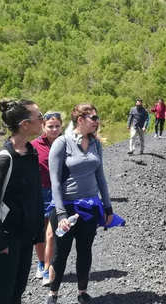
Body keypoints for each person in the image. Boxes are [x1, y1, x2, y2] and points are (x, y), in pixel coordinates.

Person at [46, 103, 114, 304]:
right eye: (93, 118)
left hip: (90, 207)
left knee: (85, 250)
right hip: (66, 206)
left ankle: (82, 292)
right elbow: (55, 181)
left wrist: (107, 205)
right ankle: (53, 294)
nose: (97, 121)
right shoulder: (62, 143)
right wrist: (60, 214)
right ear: (80, 120)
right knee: (61, 253)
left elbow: (100, 176)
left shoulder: (95, 144)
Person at [0, 99, 44, 304]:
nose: (42, 121)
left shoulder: (30, 152)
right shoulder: (4, 158)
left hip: (24, 235)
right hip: (5, 238)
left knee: (16, 293)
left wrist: (37, 233)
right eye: (39, 117)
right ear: (25, 124)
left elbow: (34, 195)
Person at [30, 111, 63, 286]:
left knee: (51, 233)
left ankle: (48, 267)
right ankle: (41, 262)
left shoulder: (66, 143)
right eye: (50, 126)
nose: (54, 129)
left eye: (57, 126)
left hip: (60, 192)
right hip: (40, 192)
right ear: (43, 126)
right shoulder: (34, 146)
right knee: (40, 231)